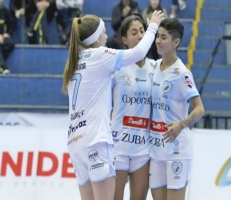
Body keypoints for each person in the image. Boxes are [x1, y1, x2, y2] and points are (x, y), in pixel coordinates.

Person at [62, 11, 165, 200]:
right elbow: (138, 52)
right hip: (97, 141)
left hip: (75, 144)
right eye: (103, 32)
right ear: (95, 37)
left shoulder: (74, 61)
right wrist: (153, 26)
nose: (107, 36)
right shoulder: (99, 55)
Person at [149, 18, 205, 200]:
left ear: (176, 42)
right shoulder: (154, 66)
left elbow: (199, 109)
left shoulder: (182, 73)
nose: (158, 40)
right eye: (157, 36)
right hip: (156, 148)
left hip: (177, 148)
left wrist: (181, 124)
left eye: (163, 37)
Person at [111, 13, 155, 200]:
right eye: (134, 32)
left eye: (142, 31)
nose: (139, 35)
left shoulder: (156, 68)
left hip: (142, 150)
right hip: (117, 147)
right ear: (124, 39)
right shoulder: (115, 67)